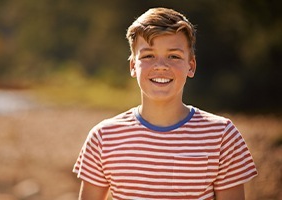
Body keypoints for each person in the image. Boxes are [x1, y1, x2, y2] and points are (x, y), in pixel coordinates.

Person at [73, 7, 257, 200]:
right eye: (148, 56)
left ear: (191, 66)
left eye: (174, 56)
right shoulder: (103, 137)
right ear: (133, 66)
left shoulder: (222, 136)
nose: (161, 65)